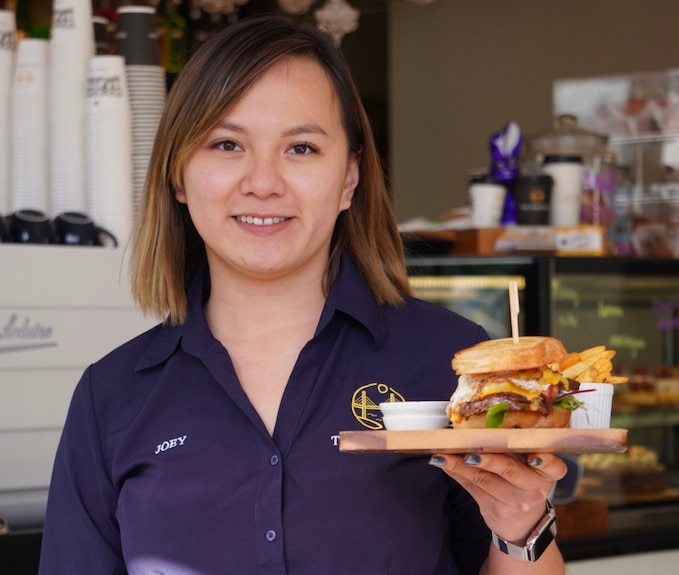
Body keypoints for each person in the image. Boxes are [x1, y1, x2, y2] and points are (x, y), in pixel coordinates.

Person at [39, 14, 567, 575]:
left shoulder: (449, 363)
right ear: (178, 176)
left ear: (349, 178)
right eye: (226, 144)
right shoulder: (111, 397)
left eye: (301, 149)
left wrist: (521, 531)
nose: (263, 182)